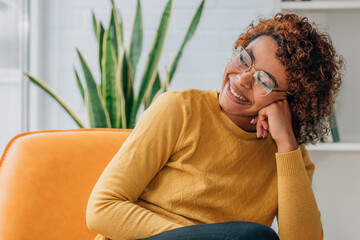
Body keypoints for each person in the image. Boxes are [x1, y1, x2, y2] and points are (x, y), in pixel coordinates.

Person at [86, 13, 343, 240]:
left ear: (289, 103)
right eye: (245, 59)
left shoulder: (290, 158)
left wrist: (287, 144)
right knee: (256, 236)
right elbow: (102, 208)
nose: (242, 79)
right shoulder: (180, 109)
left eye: (263, 80)